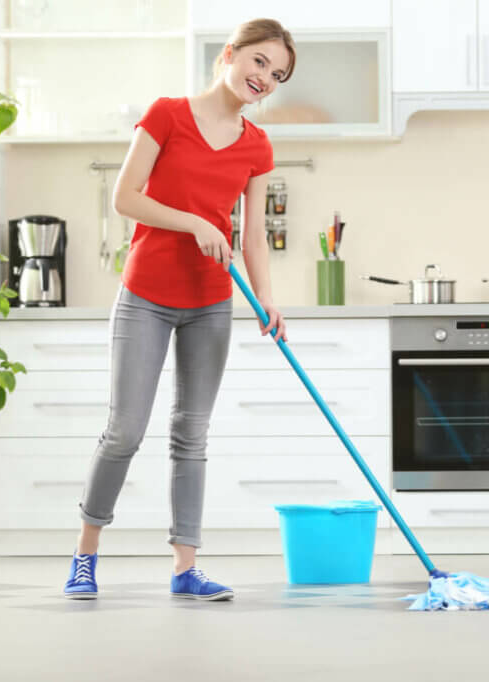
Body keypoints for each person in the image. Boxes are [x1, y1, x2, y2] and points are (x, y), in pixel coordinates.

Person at [63, 18, 296, 601]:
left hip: (211, 302)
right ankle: (84, 557)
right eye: (260, 62)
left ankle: (185, 568)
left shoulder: (256, 145)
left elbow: (253, 236)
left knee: (191, 434)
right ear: (231, 54)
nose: (265, 78)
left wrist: (267, 297)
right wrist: (194, 221)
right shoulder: (167, 114)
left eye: (278, 74)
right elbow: (126, 197)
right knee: (124, 430)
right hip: (146, 295)